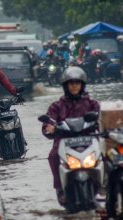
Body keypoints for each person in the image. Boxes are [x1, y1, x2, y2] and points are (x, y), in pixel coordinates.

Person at [41, 66, 100, 205]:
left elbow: (101, 119)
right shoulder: (56, 106)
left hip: (89, 141)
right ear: (66, 86)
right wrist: (49, 128)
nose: (74, 86)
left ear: (82, 85)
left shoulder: (92, 104)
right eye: (71, 83)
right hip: (64, 142)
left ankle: (104, 184)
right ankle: (60, 188)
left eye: (77, 83)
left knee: (106, 153)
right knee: (53, 156)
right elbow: (48, 123)